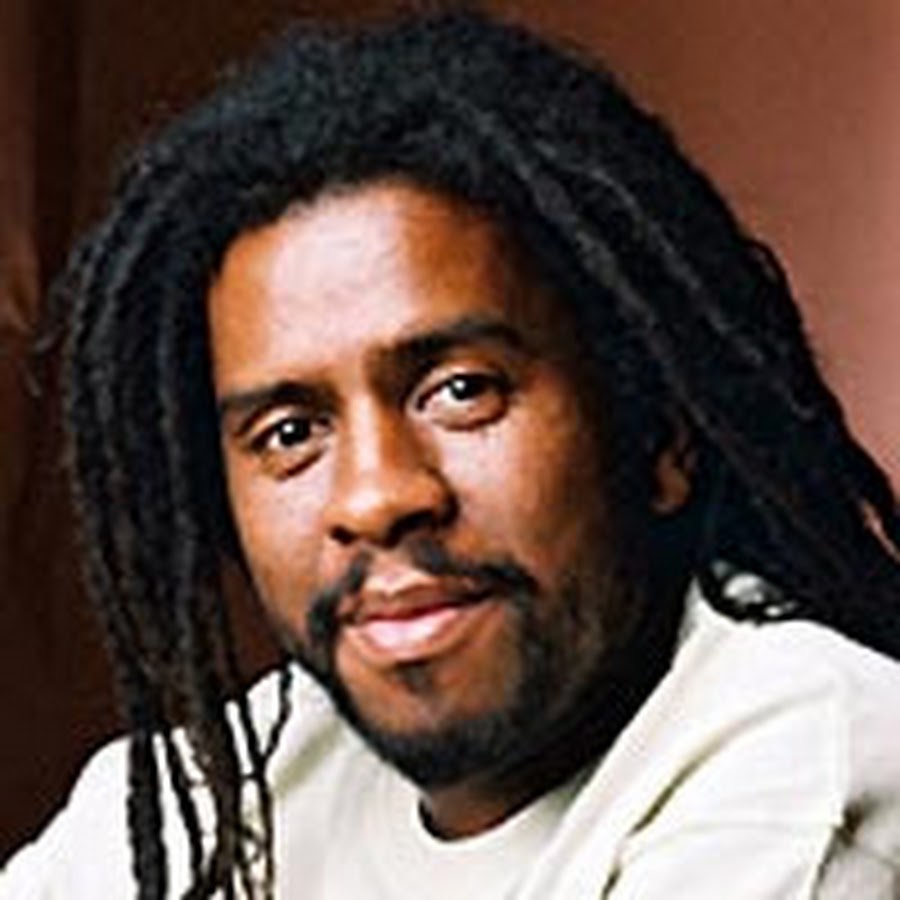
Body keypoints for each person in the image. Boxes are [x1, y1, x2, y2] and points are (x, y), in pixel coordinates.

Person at [4, 10, 900, 899]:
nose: (375, 496)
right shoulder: (232, 788)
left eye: (462, 391)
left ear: (659, 434)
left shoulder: (806, 769)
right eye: (290, 433)